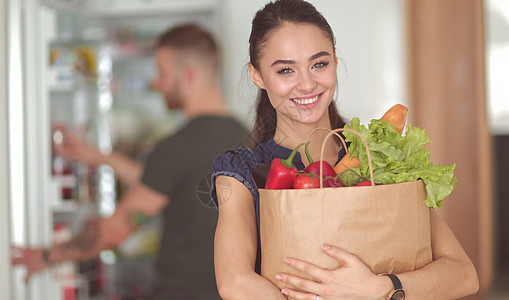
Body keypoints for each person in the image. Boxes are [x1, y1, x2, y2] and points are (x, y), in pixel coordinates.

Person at [210, 0, 479, 299]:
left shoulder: (379, 155)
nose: (307, 84)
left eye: (319, 64)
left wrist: (382, 288)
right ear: (257, 75)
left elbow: (463, 275)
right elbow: (235, 282)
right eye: (286, 70)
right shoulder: (240, 171)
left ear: (335, 62)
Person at [12, 23, 246, 300]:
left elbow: (114, 232)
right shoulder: (244, 137)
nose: (156, 82)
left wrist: (47, 255)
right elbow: (165, 183)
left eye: (162, 72)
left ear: (189, 75)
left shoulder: (178, 146)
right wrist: (97, 156)